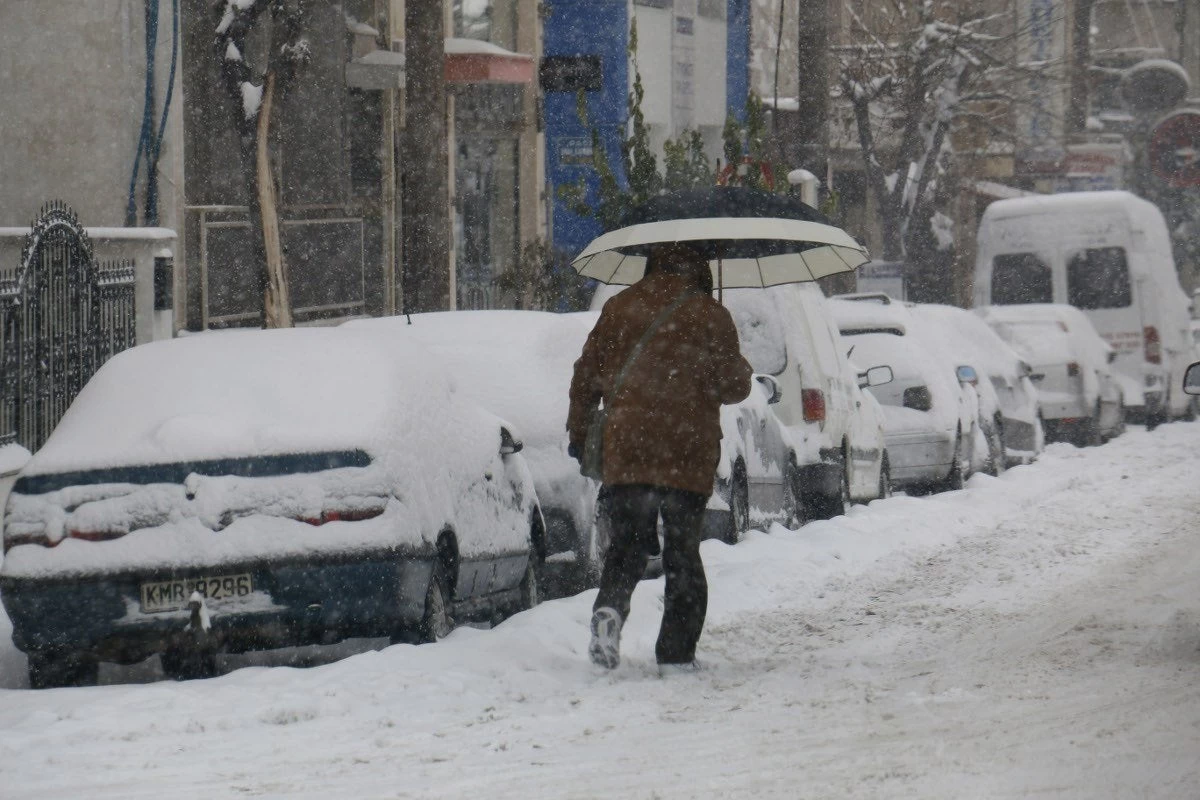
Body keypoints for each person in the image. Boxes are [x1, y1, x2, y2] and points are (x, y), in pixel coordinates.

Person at [567, 242, 753, 672]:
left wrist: (580, 433)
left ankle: (610, 612)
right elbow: (735, 386)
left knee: (627, 545)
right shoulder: (710, 316)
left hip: (628, 451)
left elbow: (585, 377)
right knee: (683, 553)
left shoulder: (620, 307)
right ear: (700, 269)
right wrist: (726, 359)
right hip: (686, 453)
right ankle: (675, 652)